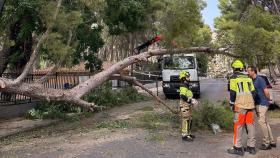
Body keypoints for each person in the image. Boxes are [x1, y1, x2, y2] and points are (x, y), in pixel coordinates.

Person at [227, 60, 257, 156]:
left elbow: (232, 92)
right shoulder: (248, 77)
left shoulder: (233, 77)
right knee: (250, 125)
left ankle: (237, 147)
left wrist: (232, 104)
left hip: (240, 105)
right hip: (250, 105)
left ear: (234, 69)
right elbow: (254, 92)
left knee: (238, 126)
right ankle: (251, 147)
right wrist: (252, 102)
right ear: (241, 68)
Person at [247, 66, 277, 150]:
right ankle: (272, 141)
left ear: (253, 71)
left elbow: (266, 91)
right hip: (257, 104)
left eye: (248, 71)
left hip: (262, 103)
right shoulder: (252, 80)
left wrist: (268, 99)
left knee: (261, 122)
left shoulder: (260, 79)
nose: (247, 73)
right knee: (265, 122)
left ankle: (266, 143)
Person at [179, 70, 197, 141]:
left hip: (188, 104)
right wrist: (190, 100)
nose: (189, 78)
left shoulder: (186, 86)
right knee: (185, 119)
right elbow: (183, 96)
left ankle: (188, 133)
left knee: (190, 119)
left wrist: (193, 100)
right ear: (183, 78)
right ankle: (184, 135)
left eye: (189, 76)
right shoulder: (183, 86)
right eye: (187, 77)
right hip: (184, 105)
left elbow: (188, 95)